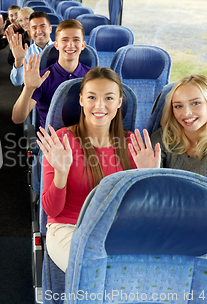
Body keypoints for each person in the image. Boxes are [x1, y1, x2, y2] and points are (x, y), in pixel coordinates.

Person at [37, 67, 136, 273]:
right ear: (81, 100)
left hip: (117, 229)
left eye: (109, 98)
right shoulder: (61, 142)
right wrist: (61, 172)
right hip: (69, 228)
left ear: (119, 102)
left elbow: (139, 211)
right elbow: (52, 211)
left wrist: (147, 175)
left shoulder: (133, 145)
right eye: (92, 97)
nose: (99, 105)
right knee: (97, 273)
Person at [129, 74, 207, 219]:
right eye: (178, 106)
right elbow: (151, 205)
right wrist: (149, 175)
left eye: (195, 103)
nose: (186, 113)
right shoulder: (162, 139)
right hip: (172, 219)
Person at [12, 19, 91, 128]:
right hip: (51, 141)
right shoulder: (42, 77)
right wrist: (28, 88)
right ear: (56, 45)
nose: (70, 45)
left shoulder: (92, 77)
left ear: (83, 45)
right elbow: (17, 118)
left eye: (76, 40)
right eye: (65, 40)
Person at [8, 10, 54, 87]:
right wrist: (18, 61)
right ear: (30, 31)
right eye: (34, 28)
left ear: (50, 29)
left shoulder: (61, 50)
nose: (39, 31)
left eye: (42, 26)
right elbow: (17, 82)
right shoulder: (26, 53)